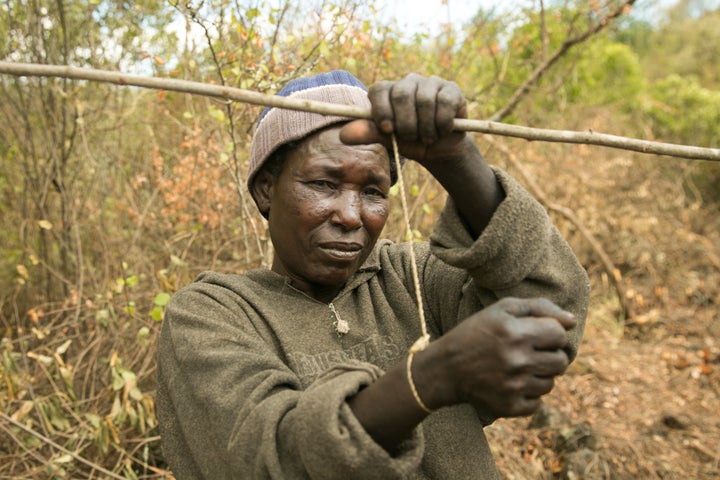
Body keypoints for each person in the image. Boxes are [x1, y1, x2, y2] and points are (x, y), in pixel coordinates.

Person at [156, 70, 590, 479]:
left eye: (372, 192)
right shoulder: (211, 315)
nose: (351, 215)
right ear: (266, 188)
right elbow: (266, 460)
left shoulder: (414, 279)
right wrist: (433, 377)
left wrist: (458, 160)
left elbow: (553, 307)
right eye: (324, 184)